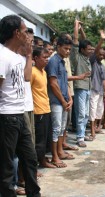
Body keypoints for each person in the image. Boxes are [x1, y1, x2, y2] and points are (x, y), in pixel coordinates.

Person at [0, 14, 41, 197]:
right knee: (7, 165)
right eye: (25, 32)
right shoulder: (2, 55)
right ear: (16, 33)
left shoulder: (16, 56)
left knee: (30, 159)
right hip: (6, 116)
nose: (28, 36)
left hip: (19, 114)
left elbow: (25, 77)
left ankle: (34, 193)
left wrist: (29, 53)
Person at [45, 35, 74, 167]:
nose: (68, 51)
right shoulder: (53, 61)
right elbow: (53, 83)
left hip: (63, 100)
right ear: (58, 47)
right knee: (56, 129)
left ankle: (60, 152)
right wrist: (63, 100)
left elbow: (64, 81)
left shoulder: (62, 61)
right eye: (66, 48)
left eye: (69, 49)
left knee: (62, 128)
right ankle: (55, 156)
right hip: (56, 101)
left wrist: (69, 98)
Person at [31, 47, 56, 168]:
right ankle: (35, 165)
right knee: (38, 141)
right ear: (35, 58)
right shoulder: (32, 72)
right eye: (44, 57)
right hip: (38, 111)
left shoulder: (44, 72)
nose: (47, 60)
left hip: (46, 108)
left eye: (47, 57)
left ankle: (43, 160)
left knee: (46, 139)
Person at [70, 19, 94, 145]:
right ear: (82, 49)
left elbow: (84, 40)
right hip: (80, 87)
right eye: (89, 49)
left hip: (88, 87)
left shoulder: (87, 57)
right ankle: (79, 137)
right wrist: (76, 25)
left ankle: (82, 134)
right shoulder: (76, 56)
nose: (91, 50)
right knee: (80, 113)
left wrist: (82, 30)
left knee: (86, 113)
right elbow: (75, 41)